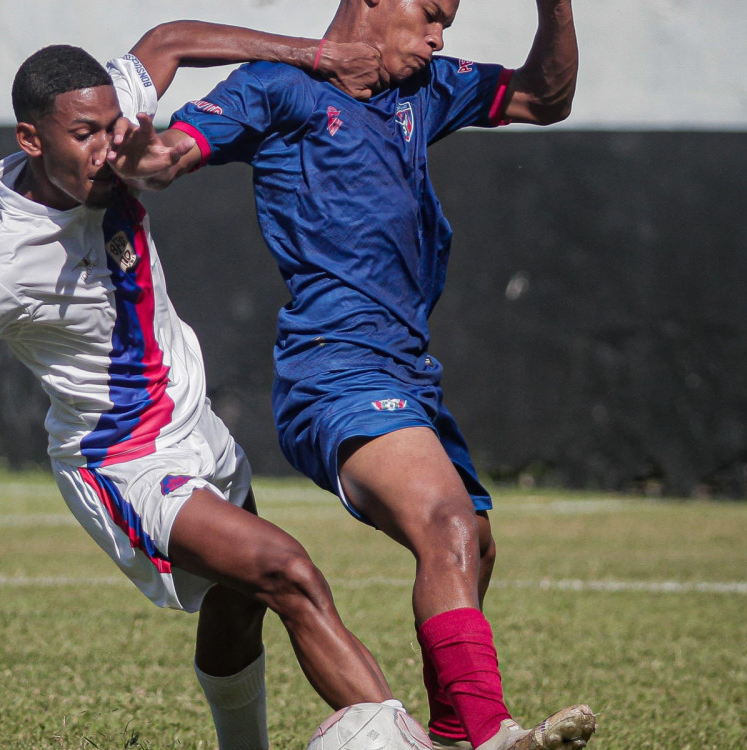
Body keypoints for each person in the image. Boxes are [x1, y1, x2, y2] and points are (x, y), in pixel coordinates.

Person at [0, 26, 402, 750]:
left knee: (240, 603)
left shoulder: (109, 131)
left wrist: (316, 57)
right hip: (125, 462)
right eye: (85, 135)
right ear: (32, 139)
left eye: (114, 126)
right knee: (288, 571)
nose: (110, 147)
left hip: (196, 426)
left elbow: (170, 41)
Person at [107, 2, 595, 749]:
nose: (438, 37)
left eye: (447, 24)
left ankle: (452, 733)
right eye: (429, 14)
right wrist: (141, 153)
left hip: (407, 370)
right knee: (447, 524)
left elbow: (544, 98)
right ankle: (491, 733)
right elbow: (169, 154)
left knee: (474, 543)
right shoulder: (278, 87)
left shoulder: (425, 88)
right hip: (334, 369)